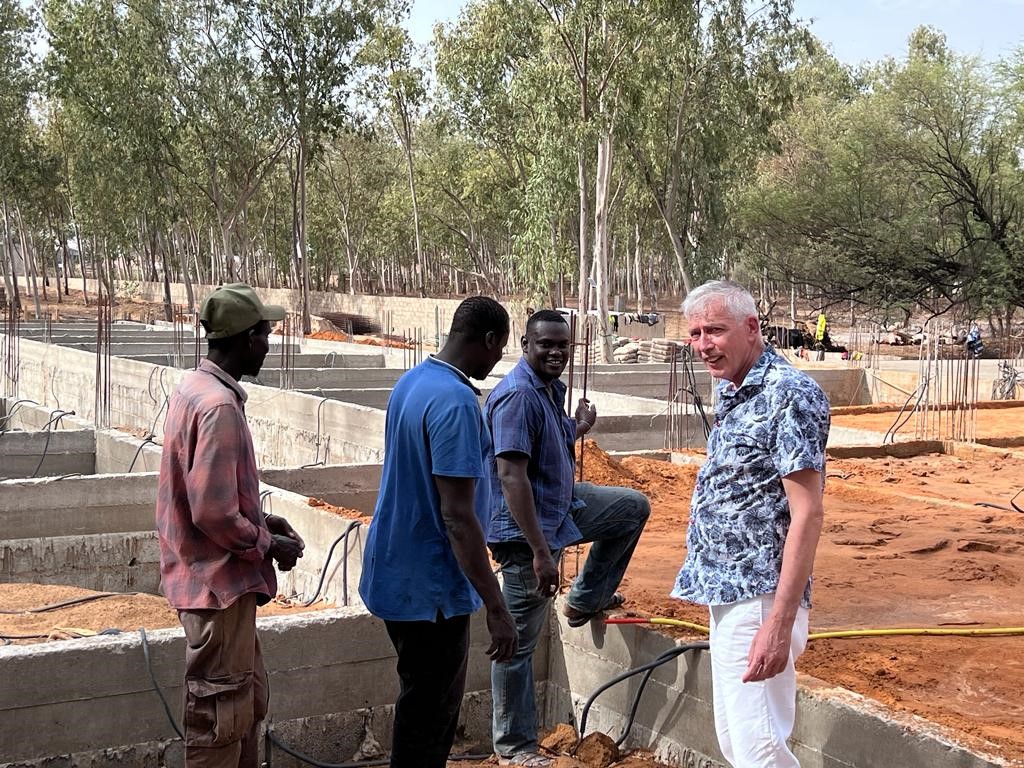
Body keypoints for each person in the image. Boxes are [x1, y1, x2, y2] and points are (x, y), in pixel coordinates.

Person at [671, 281, 830, 768]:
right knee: (736, 741)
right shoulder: (733, 389)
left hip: (760, 597)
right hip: (726, 591)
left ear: (752, 328)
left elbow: (808, 512)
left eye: (715, 331)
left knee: (761, 749)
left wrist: (778, 623)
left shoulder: (791, 395)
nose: (703, 345)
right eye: (695, 333)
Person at [485, 309, 651, 767]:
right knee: (517, 645)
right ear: (525, 344)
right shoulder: (518, 396)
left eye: (563, 345)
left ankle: (584, 600)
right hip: (527, 534)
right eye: (546, 345)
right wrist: (541, 552)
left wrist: (576, 428)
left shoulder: (543, 391)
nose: (556, 352)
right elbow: (510, 477)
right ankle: (514, 747)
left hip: (559, 506)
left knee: (631, 508)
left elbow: (544, 444)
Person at [358, 296, 518, 768]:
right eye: (500, 348)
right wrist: (496, 605)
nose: (497, 360)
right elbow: (457, 517)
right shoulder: (455, 403)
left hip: (396, 574)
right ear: (489, 340)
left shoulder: (413, 382)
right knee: (430, 717)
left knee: (418, 702)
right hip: (430, 590)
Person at [156, 283, 305, 768]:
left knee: (245, 705)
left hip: (215, 585)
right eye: (265, 334)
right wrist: (268, 543)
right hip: (215, 588)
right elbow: (212, 513)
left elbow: (209, 495)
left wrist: (260, 518)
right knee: (219, 719)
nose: (268, 344)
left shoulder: (196, 389)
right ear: (246, 339)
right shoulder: (218, 407)